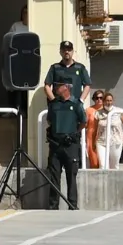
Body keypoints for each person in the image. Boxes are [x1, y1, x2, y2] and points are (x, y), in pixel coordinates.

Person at [44, 80, 85, 209]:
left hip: (70, 145)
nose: (55, 88)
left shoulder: (76, 104)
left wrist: (73, 134)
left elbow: (83, 122)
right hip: (56, 145)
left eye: (59, 86)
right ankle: (53, 205)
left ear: (66, 87)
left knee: (71, 176)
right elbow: (50, 120)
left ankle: (72, 205)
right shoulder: (54, 104)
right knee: (54, 176)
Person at [94, 89, 123, 170]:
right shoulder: (98, 113)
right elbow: (95, 128)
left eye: (110, 100)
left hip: (116, 141)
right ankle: (103, 182)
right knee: (102, 166)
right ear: (104, 101)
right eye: (107, 100)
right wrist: (94, 141)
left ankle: (115, 182)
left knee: (114, 166)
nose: (108, 102)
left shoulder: (118, 111)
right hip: (101, 141)